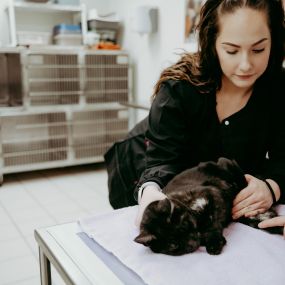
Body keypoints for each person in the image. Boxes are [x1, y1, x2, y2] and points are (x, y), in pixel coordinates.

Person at [133, 0, 285, 227]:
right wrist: (150, 193)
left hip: (217, 201)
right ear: (212, 42)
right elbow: (161, 163)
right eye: (231, 50)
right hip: (144, 163)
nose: (245, 65)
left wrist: (271, 187)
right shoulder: (179, 89)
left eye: (258, 49)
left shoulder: (278, 89)